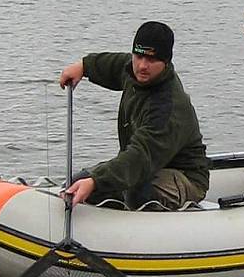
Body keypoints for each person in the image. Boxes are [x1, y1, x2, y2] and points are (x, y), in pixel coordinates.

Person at [59, 21, 209, 210]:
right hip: (147, 164)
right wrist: (83, 66)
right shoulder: (134, 71)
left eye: (152, 60)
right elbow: (113, 66)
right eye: (138, 56)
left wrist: (96, 181)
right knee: (78, 180)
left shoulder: (168, 107)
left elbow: (140, 158)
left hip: (185, 176)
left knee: (136, 190)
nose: (143, 66)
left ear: (166, 62)